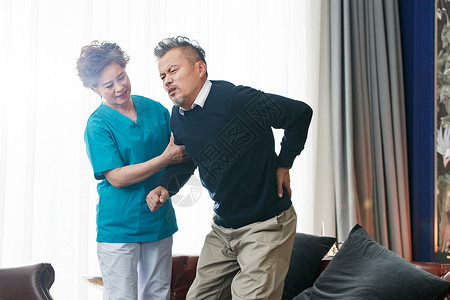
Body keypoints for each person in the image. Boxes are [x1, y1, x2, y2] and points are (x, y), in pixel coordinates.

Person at [147, 36, 313, 300]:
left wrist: (284, 163)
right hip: (224, 229)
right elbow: (186, 160)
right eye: (162, 75)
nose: (167, 80)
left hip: (266, 225)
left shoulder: (237, 99)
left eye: (173, 70)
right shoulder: (178, 118)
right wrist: (163, 186)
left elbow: (300, 114)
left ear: (200, 68)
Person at [76, 40, 189, 300]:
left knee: (156, 295)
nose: (119, 88)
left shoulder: (154, 109)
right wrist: (164, 159)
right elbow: (116, 177)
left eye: (121, 77)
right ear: (95, 88)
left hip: (158, 219)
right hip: (119, 225)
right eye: (108, 85)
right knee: (122, 297)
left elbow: (181, 150)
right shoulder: (98, 125)